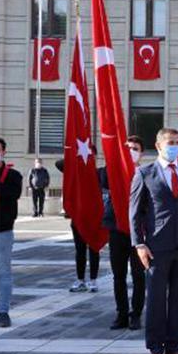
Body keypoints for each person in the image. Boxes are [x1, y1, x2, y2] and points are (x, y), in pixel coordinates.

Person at [130, 128, 178, 354]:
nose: (174, 146)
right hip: (156, 247)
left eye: (177, 142)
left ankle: (175, 346)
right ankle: (155, 349)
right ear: (159, 145)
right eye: (170, 143)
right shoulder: (145, 173)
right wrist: (139, 244)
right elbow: (134, 213)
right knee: (155, 300)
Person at [105, 135, 146, 331]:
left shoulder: (147, 173)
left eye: (135, 148)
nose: (131, 151)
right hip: (117, 230)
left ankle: (135, 314)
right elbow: (73, 167)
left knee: (139, 275)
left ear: (141, 153)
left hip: (139, 232)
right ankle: (121, 314)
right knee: (118, 275)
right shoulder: (112, 173)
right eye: (128, 148)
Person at [56, 153, 101, 294]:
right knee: (80, 251)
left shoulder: (97, 173)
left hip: (94, 218)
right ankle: (80, 280)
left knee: (94, 249)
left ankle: (93, 280)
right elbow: (59, 163)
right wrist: (75, 156)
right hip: (78, 218)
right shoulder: (75, 173)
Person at [0, 137, 23, 328]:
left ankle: (3, 311)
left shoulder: (13, 175)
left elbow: (13, 194)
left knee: (4, 272)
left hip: (3, 230)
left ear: (4, 152)